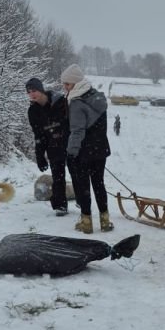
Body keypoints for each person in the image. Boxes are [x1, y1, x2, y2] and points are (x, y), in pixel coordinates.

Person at [60, 63, 114, 235]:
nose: (65, 87)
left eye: (67, 84)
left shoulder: (76, 103)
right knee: (99, 184)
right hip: (100, 150)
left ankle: (86, 223)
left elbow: (77, 131)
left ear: (76, 83)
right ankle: (105, 221)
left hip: (83, 152)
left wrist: (71, 152)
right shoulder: (98, 97)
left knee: (83, 186)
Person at [26, 77, 69, 217]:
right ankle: (60, 205)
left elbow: (71, 123)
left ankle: (82, 200)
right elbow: (39, 135)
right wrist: (40, 156)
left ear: (41, 89)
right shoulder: (33, 111)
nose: (32, 94)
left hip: (69, 143)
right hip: (53, 146)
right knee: (58, 176)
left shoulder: (60, 101)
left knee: (77, 173)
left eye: (34, 90)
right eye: (29, 92)